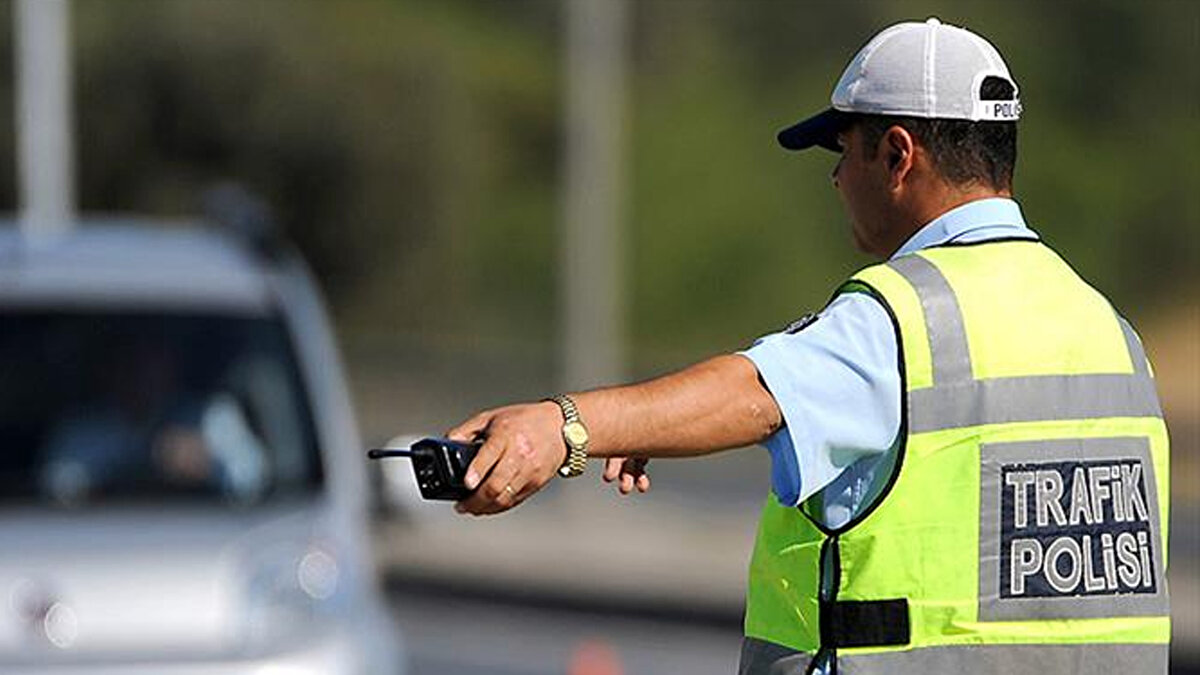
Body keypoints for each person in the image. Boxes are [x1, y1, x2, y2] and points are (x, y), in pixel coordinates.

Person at [446, 18, 1170, 674]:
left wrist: (562, 426)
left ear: (897, 155)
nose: (833, 177)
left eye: (841, 149)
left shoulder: (905, 315)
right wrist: (652, 425)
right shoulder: (1109, 330)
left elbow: (755, 393)